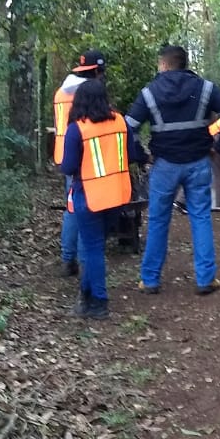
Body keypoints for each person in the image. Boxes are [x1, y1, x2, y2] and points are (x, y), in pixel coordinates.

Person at [126, 44, 220, 296]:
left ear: (164, 64)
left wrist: (141, 156)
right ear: (183, 63)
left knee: (157, 220)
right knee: (200, 217)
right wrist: (219, 146)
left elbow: (129, 126)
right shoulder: (205, 88)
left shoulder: (149, 92)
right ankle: (205, 279)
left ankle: (150, 280)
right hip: (198, 162)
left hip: (164, 165)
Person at [60, 78, 146, 319]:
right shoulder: (121, 122)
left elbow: (68, 166)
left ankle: (99, 302)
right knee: (95, 246)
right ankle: (86, 297)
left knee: (94, 250)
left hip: (89, 197)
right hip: (117, 196)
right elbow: (130, 155)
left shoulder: (78, 128)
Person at [51, 49, 107, 277]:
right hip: (87, 154)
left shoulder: (60, 92)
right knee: (88, 208)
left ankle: (68, 259)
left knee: (72, 207)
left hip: (65, 154)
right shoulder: (88, 93)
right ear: (96, 71)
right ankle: (85, 263)